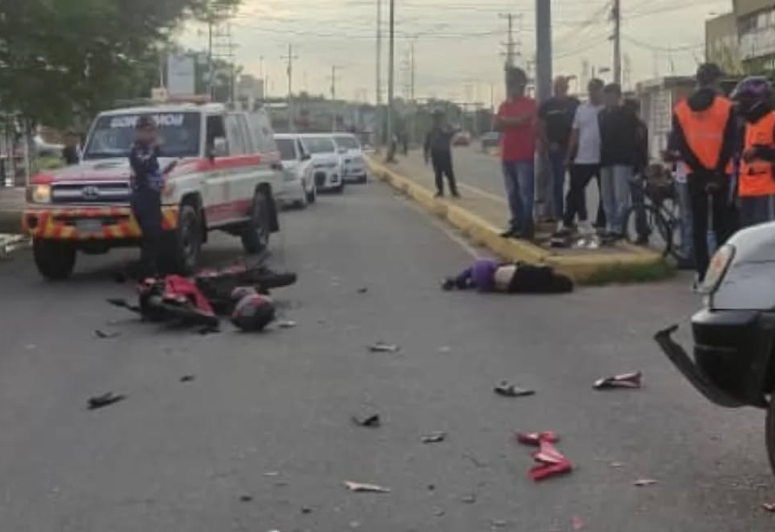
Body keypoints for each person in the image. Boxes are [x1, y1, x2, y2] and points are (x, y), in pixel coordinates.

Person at [671, 63, 736, 282]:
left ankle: (702, 273)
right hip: (721, 173)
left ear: (698, 81)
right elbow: (730, 144)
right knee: (721, 226)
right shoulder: (727, 107)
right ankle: (723, 272)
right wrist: (716, 172)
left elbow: (681, 146)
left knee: (698, 225)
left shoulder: (680, 109)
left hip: (694, 174)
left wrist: (700, 171)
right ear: (715, 82)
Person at [129, 116, 176, 279]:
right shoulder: (137, 149)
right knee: (151, 235)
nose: (151, 134)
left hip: (153, 195)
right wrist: (153, 148)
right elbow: (142, 167)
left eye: (153, 130)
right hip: (143, 196)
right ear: (139, 132)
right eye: (147, 131)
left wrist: (164, 179)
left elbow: (155, 170)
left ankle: (152, 270)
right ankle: (146, 273)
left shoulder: (151, 149)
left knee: (156, 235)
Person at [496, 67, 538, 239]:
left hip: (524, 154)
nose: (510, 86)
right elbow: (497, 125)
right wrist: (512, 122)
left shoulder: (530, 104)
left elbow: (525, 120)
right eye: (508, 83)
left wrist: (508, 122)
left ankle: (527, 226)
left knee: (525, 192)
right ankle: (516, 223)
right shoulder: (504, 105)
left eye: (512, 83)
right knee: (512, 192)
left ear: (521, 85)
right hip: (507, 154)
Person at [562, 78, 606, 234]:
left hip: (603, 158)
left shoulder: (607, 109)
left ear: (602, 91)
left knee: (605, 193)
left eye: (597, 90)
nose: (594, 94)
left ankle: (602, 223)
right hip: (583, 157)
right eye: (592, 90)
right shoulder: (581, 109)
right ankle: (572, 219)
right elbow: (575, 133)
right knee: (575, 190)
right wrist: (569, 156)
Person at [598, 83, 642, 239]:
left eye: (611, 96)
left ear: (617, 97)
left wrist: (638, 162)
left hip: (623, 160)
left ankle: (619, 228)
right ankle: (611, 225)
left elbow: (637, 137)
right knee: (607, 195)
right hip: (605, 159)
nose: (608, 99)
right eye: (606, 96)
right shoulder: (601, 115)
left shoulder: (627, 114)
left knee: (620, 196)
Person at [731, 76, 775, 228]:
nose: (739, 105)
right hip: (747, 191)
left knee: (766, 239)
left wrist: (759, 151)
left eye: (742, 100)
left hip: (768, 191)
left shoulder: (772, 121)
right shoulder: (747, 125)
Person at [539, 76, 580, 222]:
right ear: (554, 87)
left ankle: (574, 214)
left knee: (577, 184)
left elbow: (580, 125)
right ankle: (557, 214)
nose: (561, 89)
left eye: (563, 86)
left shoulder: (575, 104)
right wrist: (548, 143)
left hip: (574, 149)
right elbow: (541, 127)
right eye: (558, 86)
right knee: (557, 182)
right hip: (555, 149)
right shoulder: (547, 105)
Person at [441, 258, 573, 294]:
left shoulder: (545, 272)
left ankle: (458, 281)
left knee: (477, 269)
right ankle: (463, 283)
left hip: (509, 274)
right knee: (480, 277)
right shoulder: (546, 288)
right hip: (507, 284)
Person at [623, 98, 650, 244]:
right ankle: (642, 230)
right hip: (636, 166)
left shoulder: (637, 126)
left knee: (636, 201)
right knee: (637, 201)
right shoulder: (640, 125)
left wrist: (643, 167)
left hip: (633, 166)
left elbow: (642, 148)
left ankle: (642, 230)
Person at [424, 110, 459, 198]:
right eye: (435, 117)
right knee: (438, 173)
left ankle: (454, 191)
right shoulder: (431, 130)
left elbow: (452, 133)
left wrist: (445, 130)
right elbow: (427, 143)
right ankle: (440, 191)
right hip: (435, 153)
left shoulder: (446, 127)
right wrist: (426, 155)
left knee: (449, 173)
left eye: (438, 117)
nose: (436, 119)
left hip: (445, 153)